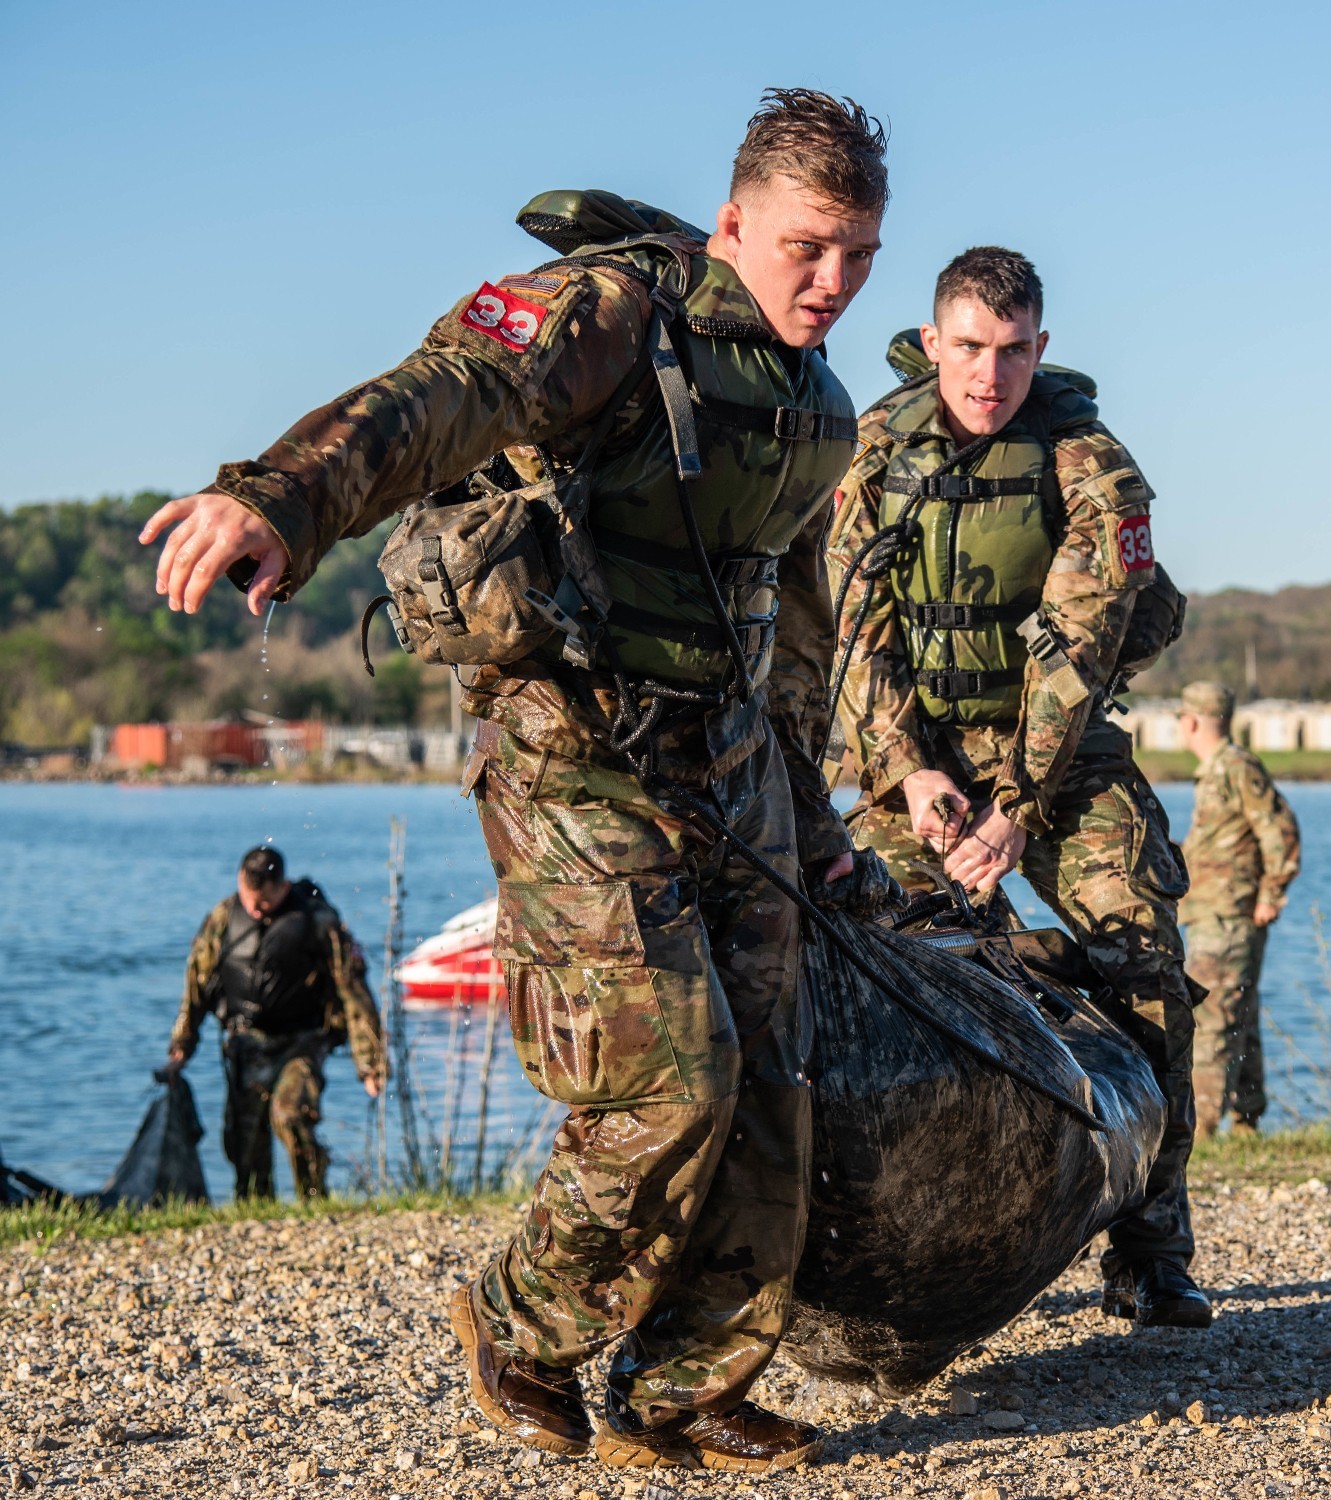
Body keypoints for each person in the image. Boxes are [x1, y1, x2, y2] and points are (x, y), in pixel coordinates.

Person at [139, 89, 890, 1473]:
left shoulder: (818, 408)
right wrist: (281, 496)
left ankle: (684, 1383)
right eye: (806, 247)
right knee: (670, 1071)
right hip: (569, 740)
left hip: (727, 761)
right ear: (734, 223)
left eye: (858, 256)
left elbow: (793, 624)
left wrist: (817, 812)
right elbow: (444, 394)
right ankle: (523, 1325)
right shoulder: (607, 314)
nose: (832, 284)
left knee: (775, 1070)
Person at [828, 246, 1212, 1329]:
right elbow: (858, 636)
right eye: (968, 349)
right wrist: (908, 773)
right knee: (889, 965)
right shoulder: (874, 451)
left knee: (1142, 963)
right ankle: (922, 1246)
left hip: (1060, 755)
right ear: (932, 339)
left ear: (1040, 349)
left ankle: (1149, 1248)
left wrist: (1016, 811)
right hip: (922, 759)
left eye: (1010, 352)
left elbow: (1079, 654)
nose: (987, 376)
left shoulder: (1091, 464)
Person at [166, 845, 387, 1199]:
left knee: (290, 1115)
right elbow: (196, 985)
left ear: (282, 886)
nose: (254, 909)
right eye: (248, 899)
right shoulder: (223, 917)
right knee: (244, 1143)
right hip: (246, 1044)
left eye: (263, 902)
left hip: (302, 1042)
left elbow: (353, 993)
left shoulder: (316, 919)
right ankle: (255, 1211)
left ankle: (313, 1202)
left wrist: (370, 1062)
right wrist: (181, 1047)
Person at [1174, 683, 1300, 1137]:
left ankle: (1202, 1128)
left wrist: (1271, 893)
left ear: (1190, 722)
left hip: (1229, 914)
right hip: (1214, 911)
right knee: (1237, 1010)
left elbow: (1280, 831)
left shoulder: (1234, 767)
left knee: (1211, 1015)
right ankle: (1247, 1120)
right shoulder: (1218, 770)